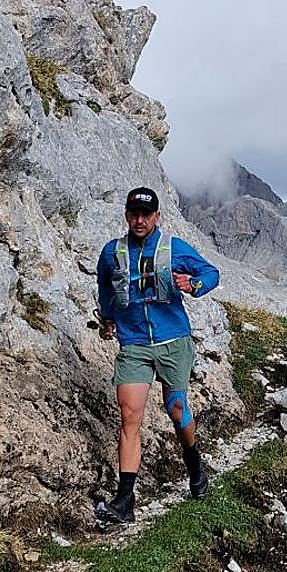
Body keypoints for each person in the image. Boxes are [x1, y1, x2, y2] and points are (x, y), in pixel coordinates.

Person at [93, 186, 220, 524]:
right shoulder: (112, 253)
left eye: (146, 215)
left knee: (176, 409)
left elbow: (211, 273)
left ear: (157, 217)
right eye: (134, 214)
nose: (139, 220)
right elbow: (105, 287)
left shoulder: (172, 248)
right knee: (129, 416)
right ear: (126, 215)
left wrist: (192, 285)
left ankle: (194, 464)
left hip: (173, 341)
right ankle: (124, 501)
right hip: (133, 344)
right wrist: (107, 318)